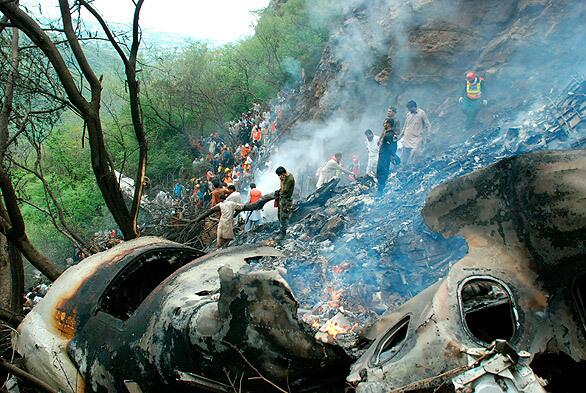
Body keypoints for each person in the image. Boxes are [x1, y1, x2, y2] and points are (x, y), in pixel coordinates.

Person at [376, 107, 401, 195]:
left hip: (385, 155)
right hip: (386, 154)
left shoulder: (390, 134)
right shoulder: (388, 133)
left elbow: (390, 145)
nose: (384, 125)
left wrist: (393, 155)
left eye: (390, 111)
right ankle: (382, 188)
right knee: (384, 170)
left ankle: (380, 191)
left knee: (381, 170)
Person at [399, 100, 431, 165]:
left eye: (410, 108)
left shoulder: (421, 113)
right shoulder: (408, 114)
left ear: (414, 107)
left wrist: (429, 135)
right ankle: (402, 169)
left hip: (416, 138)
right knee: (404, 157)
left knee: (414, 155)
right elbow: (405, 126)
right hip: (407, 138)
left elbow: (428, 125)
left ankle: (414, 167)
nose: (409, 110)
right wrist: (399, 137)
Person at [274, 167, 295, 240]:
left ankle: (283, 233)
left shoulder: (289, 179)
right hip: (282, 199)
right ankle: (281, 229)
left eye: (279, 175)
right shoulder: (286, 176)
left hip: (286, 200)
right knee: (279, 215)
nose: (279, 177)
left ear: (282, 174)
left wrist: (282, 181)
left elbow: (283, 191)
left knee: (283, 217)